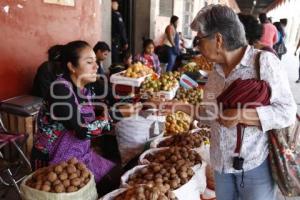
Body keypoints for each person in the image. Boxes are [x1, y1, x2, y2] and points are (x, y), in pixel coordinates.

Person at [191, 5, 297, 200]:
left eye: (199, 40)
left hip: (254, 166)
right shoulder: (215, 73)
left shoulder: (263, 62)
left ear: (218, 39)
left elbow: (287, 112)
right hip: (221, 166)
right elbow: (210, 114)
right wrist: (181, 108)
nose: (196, 46)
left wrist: (242, 115)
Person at [31, 40, 120, 195]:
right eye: (89, 62)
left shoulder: (85, 87)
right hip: (54, 161)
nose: (96, 66)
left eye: (95, 61)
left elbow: (108, 101)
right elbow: (82, 131)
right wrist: (113, 117)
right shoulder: (60, 90)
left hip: (79, 155)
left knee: (115, 177)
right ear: (72, 67)